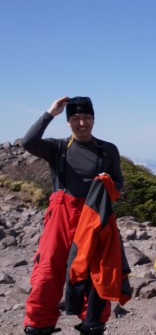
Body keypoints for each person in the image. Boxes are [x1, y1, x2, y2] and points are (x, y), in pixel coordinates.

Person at [22, 96, 124, 335]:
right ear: (68, 122)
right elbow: (28, 142)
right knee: (48, 271)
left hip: (94, 219)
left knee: (95, 273)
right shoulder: (57, 148)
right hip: (60, 217)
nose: (82, 123)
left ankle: (92, 324)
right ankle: (39, 325)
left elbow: (118, 184)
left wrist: (108, 184)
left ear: (94, 119)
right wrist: (50, 113)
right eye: (76, 118)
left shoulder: (107, 150)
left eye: (86, 117)